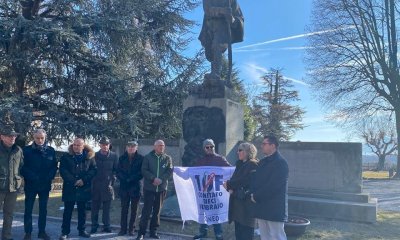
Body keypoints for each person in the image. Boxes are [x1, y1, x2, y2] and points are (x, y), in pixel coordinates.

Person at [250, 135, 289, 240]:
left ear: (273, 145)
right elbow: (256, 181)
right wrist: (252, 193)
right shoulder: (262, 162)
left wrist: (256, 196)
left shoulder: (281, 163)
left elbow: (274, 186)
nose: (261, 146)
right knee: (265, 236)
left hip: (274, 207)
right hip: (261, 206)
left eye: (264, 144)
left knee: (277, 236)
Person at [22, 129, 58, 240]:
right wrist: (33, 177)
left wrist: (49, 177)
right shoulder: (26, 150)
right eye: (37, 138)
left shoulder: (51, 150)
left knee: (43, 209)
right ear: (33, 137)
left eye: (42, 138)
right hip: (31, 184)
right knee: (28, 209)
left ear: (45, 137)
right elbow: (22, 167)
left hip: (45, 185)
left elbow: (54, 166)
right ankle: (28, 233)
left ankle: (41, 232)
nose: (40, 140)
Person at [59, 138, 97, 240]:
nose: (76, 146)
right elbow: (63, 170)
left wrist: (83, 180)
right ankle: (65, 232)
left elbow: (93, 170)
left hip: (84, 187)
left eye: (78, 145)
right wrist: (73, 181)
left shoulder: (89, 157)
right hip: (70, 187)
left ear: (83, 146)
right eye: (74, 144)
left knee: (82, 211)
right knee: (68, 211)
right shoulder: (66, 157)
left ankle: (82, 230)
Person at [193, 139, 231, 240]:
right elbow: (193, 173)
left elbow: (229, 170)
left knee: (215, 214)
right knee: (203, 213)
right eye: (207, 147)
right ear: (204, 148)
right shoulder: (200, 160)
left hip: (216, 193)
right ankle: (202, 232)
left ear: (214, 147)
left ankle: (218, 234)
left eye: (211, 146)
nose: (210, 148)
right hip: (204, 193)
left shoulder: (220, 159)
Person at [136, 140, 173, 240]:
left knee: (157, 211)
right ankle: (141, 233)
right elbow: (144, 170)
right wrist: (153, 178)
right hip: (149, 188)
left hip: (161, 189)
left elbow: (169, 170)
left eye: (163, 145)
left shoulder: (167, 158)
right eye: (159, 145)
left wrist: (161, 179)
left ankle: (153, 231)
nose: (161, 147)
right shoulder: (148, 157)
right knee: (146, 211)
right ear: (155, 146)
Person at [199, 0, 244, 80]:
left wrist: (232, 19)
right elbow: (208, 10)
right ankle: (214, 73)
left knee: (217, 46)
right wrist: (223, 11)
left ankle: (215, 74)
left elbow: (240, 18)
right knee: (211, 53)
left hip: (223, 30)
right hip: (209, 29)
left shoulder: (232, 1)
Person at [223, 142, 258, 240]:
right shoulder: (240, 164)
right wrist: (230, 186)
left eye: (240, 150)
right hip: (238, 206)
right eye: (238, 150)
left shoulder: (252, 164)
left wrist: (229, 185)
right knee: (239, 234)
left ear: (248, 152)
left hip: (246, 208)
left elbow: (243, 181)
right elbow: (235, 181)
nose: (237, 152)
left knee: (245, 235)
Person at [90, 137, 118, 234]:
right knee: (95, 208)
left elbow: (115, 170)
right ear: (100, 145)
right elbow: (91, 168)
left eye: (106, 144)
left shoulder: (114, 156)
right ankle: (94, 226)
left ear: (109, 145)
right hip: (96, 185)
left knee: (106, 209)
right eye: (103, 144)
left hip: (107, 185)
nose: (105, 146)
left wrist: (113, 178)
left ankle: (107, 226)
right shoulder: (95, 155)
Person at [0, 126, 23, 240]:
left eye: (14, 136)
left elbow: (21, 167)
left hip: (13, 188)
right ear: (2, 137)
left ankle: (7, 237)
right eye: (10, 136)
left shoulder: (18, 150)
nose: (13, 138)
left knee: (9, 214)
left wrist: (20, 182)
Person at [116, 140, 143, 236]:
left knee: (134, 210)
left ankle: (132, 229)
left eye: (133, 147)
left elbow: (141, 172)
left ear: (136, 148)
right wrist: (125, 179)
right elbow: (118, 171)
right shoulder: (121, 158)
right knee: (124, 209)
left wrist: (131, 179)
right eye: (129, 146)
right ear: (126, 148)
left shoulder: (141, 158)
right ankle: (123, 229)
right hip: (124, 186)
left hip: (135, 186)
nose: (131, 148)